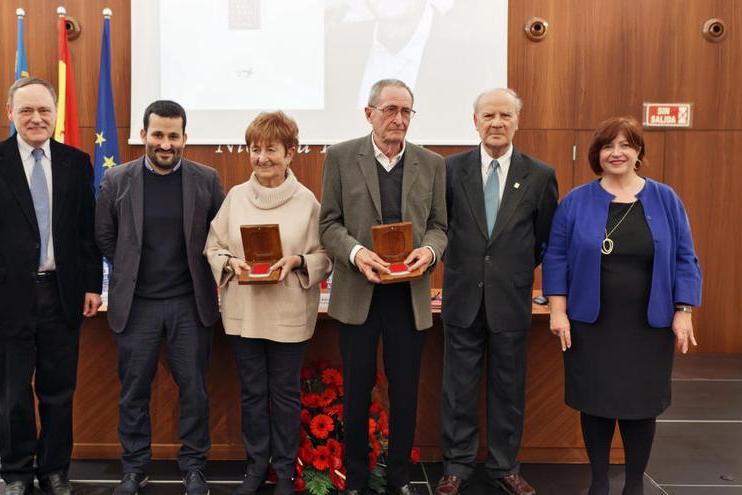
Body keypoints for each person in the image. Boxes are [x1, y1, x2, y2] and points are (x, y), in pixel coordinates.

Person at [0, 77, 103, 495]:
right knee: (15, 394)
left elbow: (84, 233)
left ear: (56, 114)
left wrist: (92, 284)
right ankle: (17, 473)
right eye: (26, 110)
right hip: (6, 301)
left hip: (63, 295)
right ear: (10, 114)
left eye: (44, 110)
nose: (36, 118)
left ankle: (55, 470)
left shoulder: (77, 162)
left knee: (59, 391)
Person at [542, 116, 702, 495]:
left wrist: (684, 310)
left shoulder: (666, 199)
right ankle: (599, 481)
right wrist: (558, 310)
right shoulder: (576, 202)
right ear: (596, 155)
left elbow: (685, 257)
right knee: (595, 403)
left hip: (649, 325)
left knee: (641, 404)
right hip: (591, 324)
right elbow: (556, 258)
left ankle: (633, 485)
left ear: (638, 152)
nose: (617, 153)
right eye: (608, 146)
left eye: (626, 145)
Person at [319, 78, 447, 495]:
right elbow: (329, 225)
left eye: (406, 111)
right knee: (357, 391)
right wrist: (357, 254)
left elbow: (440, 228)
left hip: (408, 298)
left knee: (405, 392)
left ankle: (399, 480)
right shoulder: (340, 157)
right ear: (369, 113)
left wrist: (427, 253)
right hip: (359, 292)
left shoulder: (432, 164)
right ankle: (355, 480)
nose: (399, 118)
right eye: (390, 109)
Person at [94, 100, 225, 495]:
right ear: (143, 136)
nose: (165, 144)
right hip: (137, 306)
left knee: (194, 390)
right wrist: (130, 268)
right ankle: (134, 469)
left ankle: (194, 467)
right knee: (134, 390)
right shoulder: (118, 179)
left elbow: (219, 236)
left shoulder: (207, 179)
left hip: (190, 302)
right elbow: (103, 235)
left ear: (185, 137)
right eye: (157, 135)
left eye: (173, 136)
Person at [436, 88, 558, 495]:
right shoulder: (450, 170)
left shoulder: (539, 174)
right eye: (488, 115)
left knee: (509, 388)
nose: (496, 123)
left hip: (511, 298)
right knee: (459, 389)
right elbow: (441, 227)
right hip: (462, 298)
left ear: (517, 122)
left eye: (505, 115)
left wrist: (515, 271)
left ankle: (505, 466)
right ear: (475, 122)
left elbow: (544, 237)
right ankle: (456, 466)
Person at [204, 111, 332, 495]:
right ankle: (256, 466)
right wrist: (230, 262)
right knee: (252, 392)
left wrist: (297, 261)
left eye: (271, 149)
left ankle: (285, 471)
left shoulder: (307, 202)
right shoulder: (235, 198)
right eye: (255, 149)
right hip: (245, 314)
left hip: (288, 313)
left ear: (290, 153)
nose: (262, 158)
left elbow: (324, 255)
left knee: (285, 394)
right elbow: (214, 246)